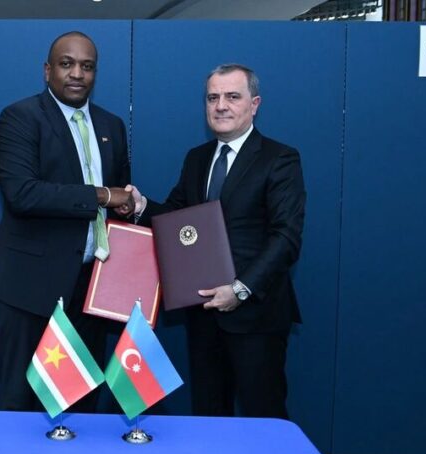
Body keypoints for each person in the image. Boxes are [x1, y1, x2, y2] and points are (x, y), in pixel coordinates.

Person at [124, 63, 305, 419]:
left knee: (263, 418)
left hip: (256, 317)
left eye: (232, 96)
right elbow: (176, 219)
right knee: (209, 416)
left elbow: (286, 237)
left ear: (254, 104)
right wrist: (141, 206)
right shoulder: (197, 158)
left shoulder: (280, 159)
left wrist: (240, 289)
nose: (221, 106)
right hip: (204, 315)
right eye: (212, 98)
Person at [0, 31, 134, 412]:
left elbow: (119, 198)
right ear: (47, 70)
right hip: (30, 289)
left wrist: (126, 205)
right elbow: (22, 194)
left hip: (90, 291)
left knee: (80, 406)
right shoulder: (20, 117)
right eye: (67, 64)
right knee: (22, 406)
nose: (77, 73)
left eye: (87, 66)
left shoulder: (112, 126)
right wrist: (101, 195)